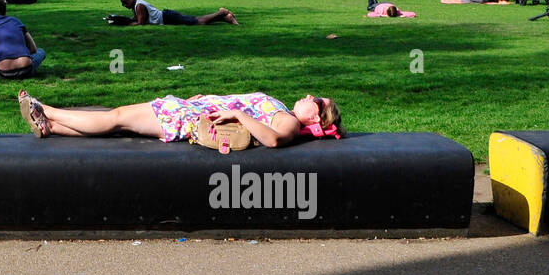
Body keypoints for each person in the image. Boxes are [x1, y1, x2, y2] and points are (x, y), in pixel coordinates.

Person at [17, 89, 341, 150]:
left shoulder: (290, 122)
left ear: (319, 119)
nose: (309, 96)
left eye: (316, 101)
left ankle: (47, 110)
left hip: (185, 120)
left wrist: (237, 113)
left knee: (116, 119)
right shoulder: (283, 109)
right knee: (118, 121)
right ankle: (51, 127)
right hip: (189, 110)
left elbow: (272, 140)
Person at [0, 0, 45, 79]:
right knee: (41, 52)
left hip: (4, 73)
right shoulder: (15, 20)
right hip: (26, 70)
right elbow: (33, 49)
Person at [112, 0, 237, 27]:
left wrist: (126, 24)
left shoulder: (139, 6)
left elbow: (141, 22)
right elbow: (135, 19)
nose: (125, 5)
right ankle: (226, 19)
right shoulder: (136, 5)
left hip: (167, 18)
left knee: (198, 21)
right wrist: (122, 19)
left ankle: (221, 12)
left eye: (125, 2)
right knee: (195, 20)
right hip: (167, 16)